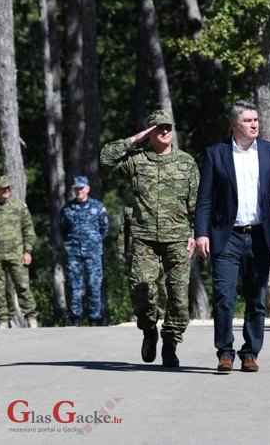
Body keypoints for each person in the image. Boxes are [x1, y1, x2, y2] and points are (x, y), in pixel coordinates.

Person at [195, 99, 270, 373]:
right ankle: (224, 352)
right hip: (226, 237)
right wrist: (201, 233)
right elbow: (204, 198)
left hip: (260, 236)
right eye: (248, 120)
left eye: (256, 120)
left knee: (256, 297)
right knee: (224, 297)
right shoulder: (216, 154)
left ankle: (250, 353)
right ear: (234, 124)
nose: (254, 124)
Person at [100, 110, 199, 367]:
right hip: (144, 238)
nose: (164, 131)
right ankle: (148, 330)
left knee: (178, 296)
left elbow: (196, 204)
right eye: (158, 128)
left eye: (168, 127)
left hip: (177, 238)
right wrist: (135, 139)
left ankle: (170, 343)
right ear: (150, 132)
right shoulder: (137, 161)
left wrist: (195, 234)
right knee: (141, 288)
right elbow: (107, 158)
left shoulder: (186, 163)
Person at [60, 176, 109, 327]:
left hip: (93, 254)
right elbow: (62, 229)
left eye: (81, 188)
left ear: (87, 188)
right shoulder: (67, 209)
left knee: (94, 285)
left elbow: (104, 228)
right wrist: (70, 244)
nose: (79, 191)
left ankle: (94, 318)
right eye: (76, 188)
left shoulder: (97, 207)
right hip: (74, 254)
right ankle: (75, 318)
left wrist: (94, 242)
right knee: (74, 286)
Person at [0, 175, 37, 328]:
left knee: (23, 286)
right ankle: (3, 320)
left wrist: (28, 251)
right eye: (3, 188)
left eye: (8, 188)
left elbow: (28, 230)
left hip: (16, 255)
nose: (7, 190)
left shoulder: (18, 207)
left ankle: (31, 318)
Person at [117, 206, 167, 320]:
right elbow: (123, 231)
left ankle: (162, 313)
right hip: (138, 252)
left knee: (163, 286)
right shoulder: (130, 209)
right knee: (140, 286)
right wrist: (122, 252)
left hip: (161, 251)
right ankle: (146, 315)